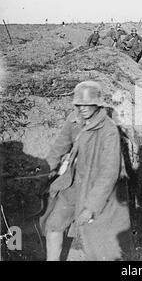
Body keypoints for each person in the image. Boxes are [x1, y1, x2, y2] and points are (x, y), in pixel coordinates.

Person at [40, 81, 131, 261]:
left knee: (94, 241)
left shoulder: (108, 130)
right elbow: (59, 148)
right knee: (53, 224)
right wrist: (45, 171)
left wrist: (91, 207)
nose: (82, 108)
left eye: (87, 104)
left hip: (94, 189)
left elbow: (108, 173)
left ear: (97, 105)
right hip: (73, 185)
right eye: (79, 104)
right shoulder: (73, 121)